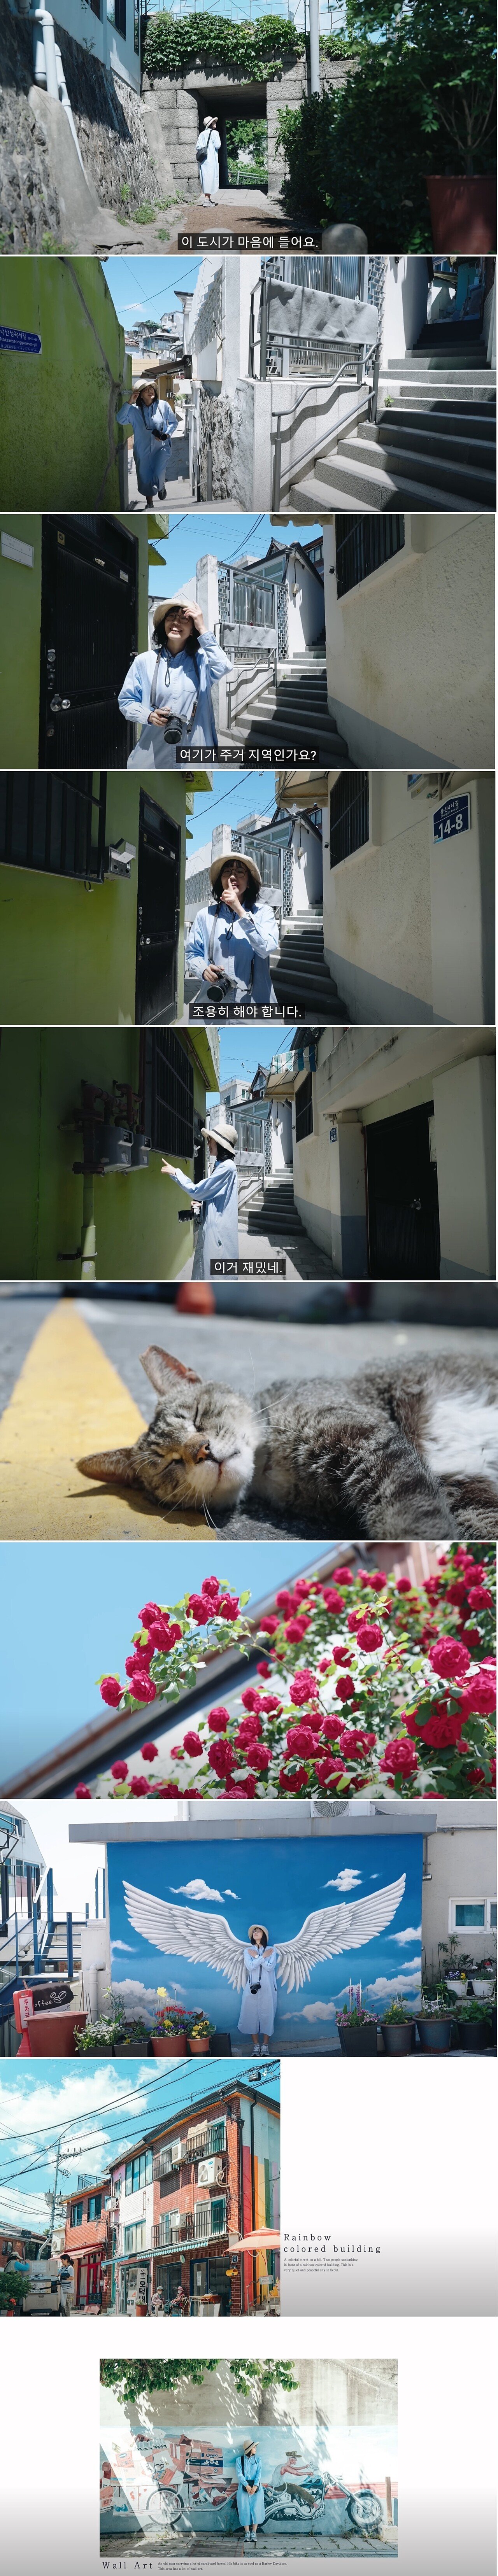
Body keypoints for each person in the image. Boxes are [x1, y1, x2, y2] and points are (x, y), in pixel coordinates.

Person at [119, 596, 231, 770]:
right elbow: (126, 702)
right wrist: (149, 716)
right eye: (171, 617)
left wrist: (203, 628)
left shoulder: (202, 662)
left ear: (193, 629)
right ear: (164, 624)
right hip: (154, 754)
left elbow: (224, 666)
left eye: (185, 618)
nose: (176, 622)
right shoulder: (144, 661)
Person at [185, 853, 279, 1006]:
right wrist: (203, 969)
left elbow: (266, 948)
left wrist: (240, 911)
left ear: (249, 882)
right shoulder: (205, 916)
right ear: (221, 880)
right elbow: (192, 953)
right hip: (214, 1002)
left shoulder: (264, 913)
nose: (232, 877)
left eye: (240, 872)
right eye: (227, 872)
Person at [161, 1116, 238, 1279]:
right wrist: (204, 1207)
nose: (208, 1144)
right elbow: (218, 1201)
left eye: (211, 1140)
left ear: (220, 1144)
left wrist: (177, 1173)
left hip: (218, 1238)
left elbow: (198, 1191)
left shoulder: (227, 1168)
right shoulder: (221, 1167)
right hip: (213, 1234)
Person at [116, 380, 180, 506]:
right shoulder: (134, 411)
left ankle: (161, 486)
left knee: (159, 473)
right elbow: (120, 419)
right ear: (140, 395)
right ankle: (150, 504)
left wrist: (167, 434)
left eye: (151, 388)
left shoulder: (163, 406)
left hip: (161, 448)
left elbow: (174, 423)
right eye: (146, 390)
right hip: (142, 451)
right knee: (145, 479)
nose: (150, 391)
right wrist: (130, 402)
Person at [237, 1925, 278, 2054]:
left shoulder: (271, 1950)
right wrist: (260, 1957)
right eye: (255, 1931)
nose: (256, 1932)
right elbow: (250, 1967)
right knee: (251, 2015)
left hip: (268, 1988)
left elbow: (270, 1968)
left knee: (268, 2015)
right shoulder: (248, 1951)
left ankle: (265, 2046)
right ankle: (256, 2046)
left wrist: (259, 1957)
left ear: (264, 1935)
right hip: (252, 1988)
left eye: (259, 1931)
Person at [236, 2445, 265, 2550]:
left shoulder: (258, 2460)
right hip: (244, 2489)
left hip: (256, 2489)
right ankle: (247, 2533)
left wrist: (256, 2485)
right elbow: (240, 2474)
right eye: (254, 2447)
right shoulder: (239, 2460)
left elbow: (259, 2473)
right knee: (245, 2510)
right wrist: (246, 2485)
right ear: (249, 2448)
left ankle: (254, 2533)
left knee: (256, 2509)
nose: (256, 2449)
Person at [196, 115, 221, 203]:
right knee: (211, 178)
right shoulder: (215, 133)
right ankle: (207, 200)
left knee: (206, 178)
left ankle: (208, 199)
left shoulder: (202, 134)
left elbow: (198, 147)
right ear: (211, 124)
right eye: (214, 122)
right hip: (212, 159)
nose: (215, 123)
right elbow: (218, 145)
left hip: (203, 160)